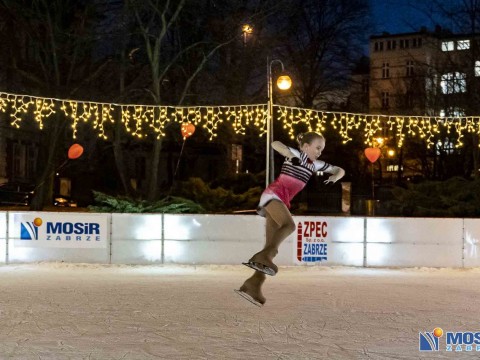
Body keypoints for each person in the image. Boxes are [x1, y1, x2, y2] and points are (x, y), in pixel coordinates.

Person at [235, 132, 345, 306]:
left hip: (280, 201)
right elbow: (275, 144)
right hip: (273, 196)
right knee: (289, 226)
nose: (319, 152)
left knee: (272, 247)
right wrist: (289, 154)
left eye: (322, 149)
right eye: (317, 148)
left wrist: (335, 176)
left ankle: (253, 284)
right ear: (305, 146)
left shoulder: (315, 165)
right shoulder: (296, 154)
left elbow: (339, 169)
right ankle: (261, 257)